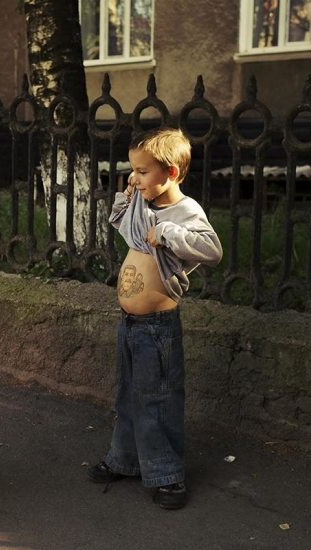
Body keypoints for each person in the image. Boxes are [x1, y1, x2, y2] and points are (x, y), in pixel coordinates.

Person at [87, 128, 222, 509]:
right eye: (133, 170)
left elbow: (212, 249)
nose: (134, 177)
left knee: (157, 399)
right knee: (128, 395)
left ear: (172, 173)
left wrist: (166, 232)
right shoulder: (142, 201)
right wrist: (127, 196)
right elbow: (120, 224)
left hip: (158, 327)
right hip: (129, 323)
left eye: (142, 172)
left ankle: (168, 475)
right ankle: (125, 459)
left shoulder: (185, 211)